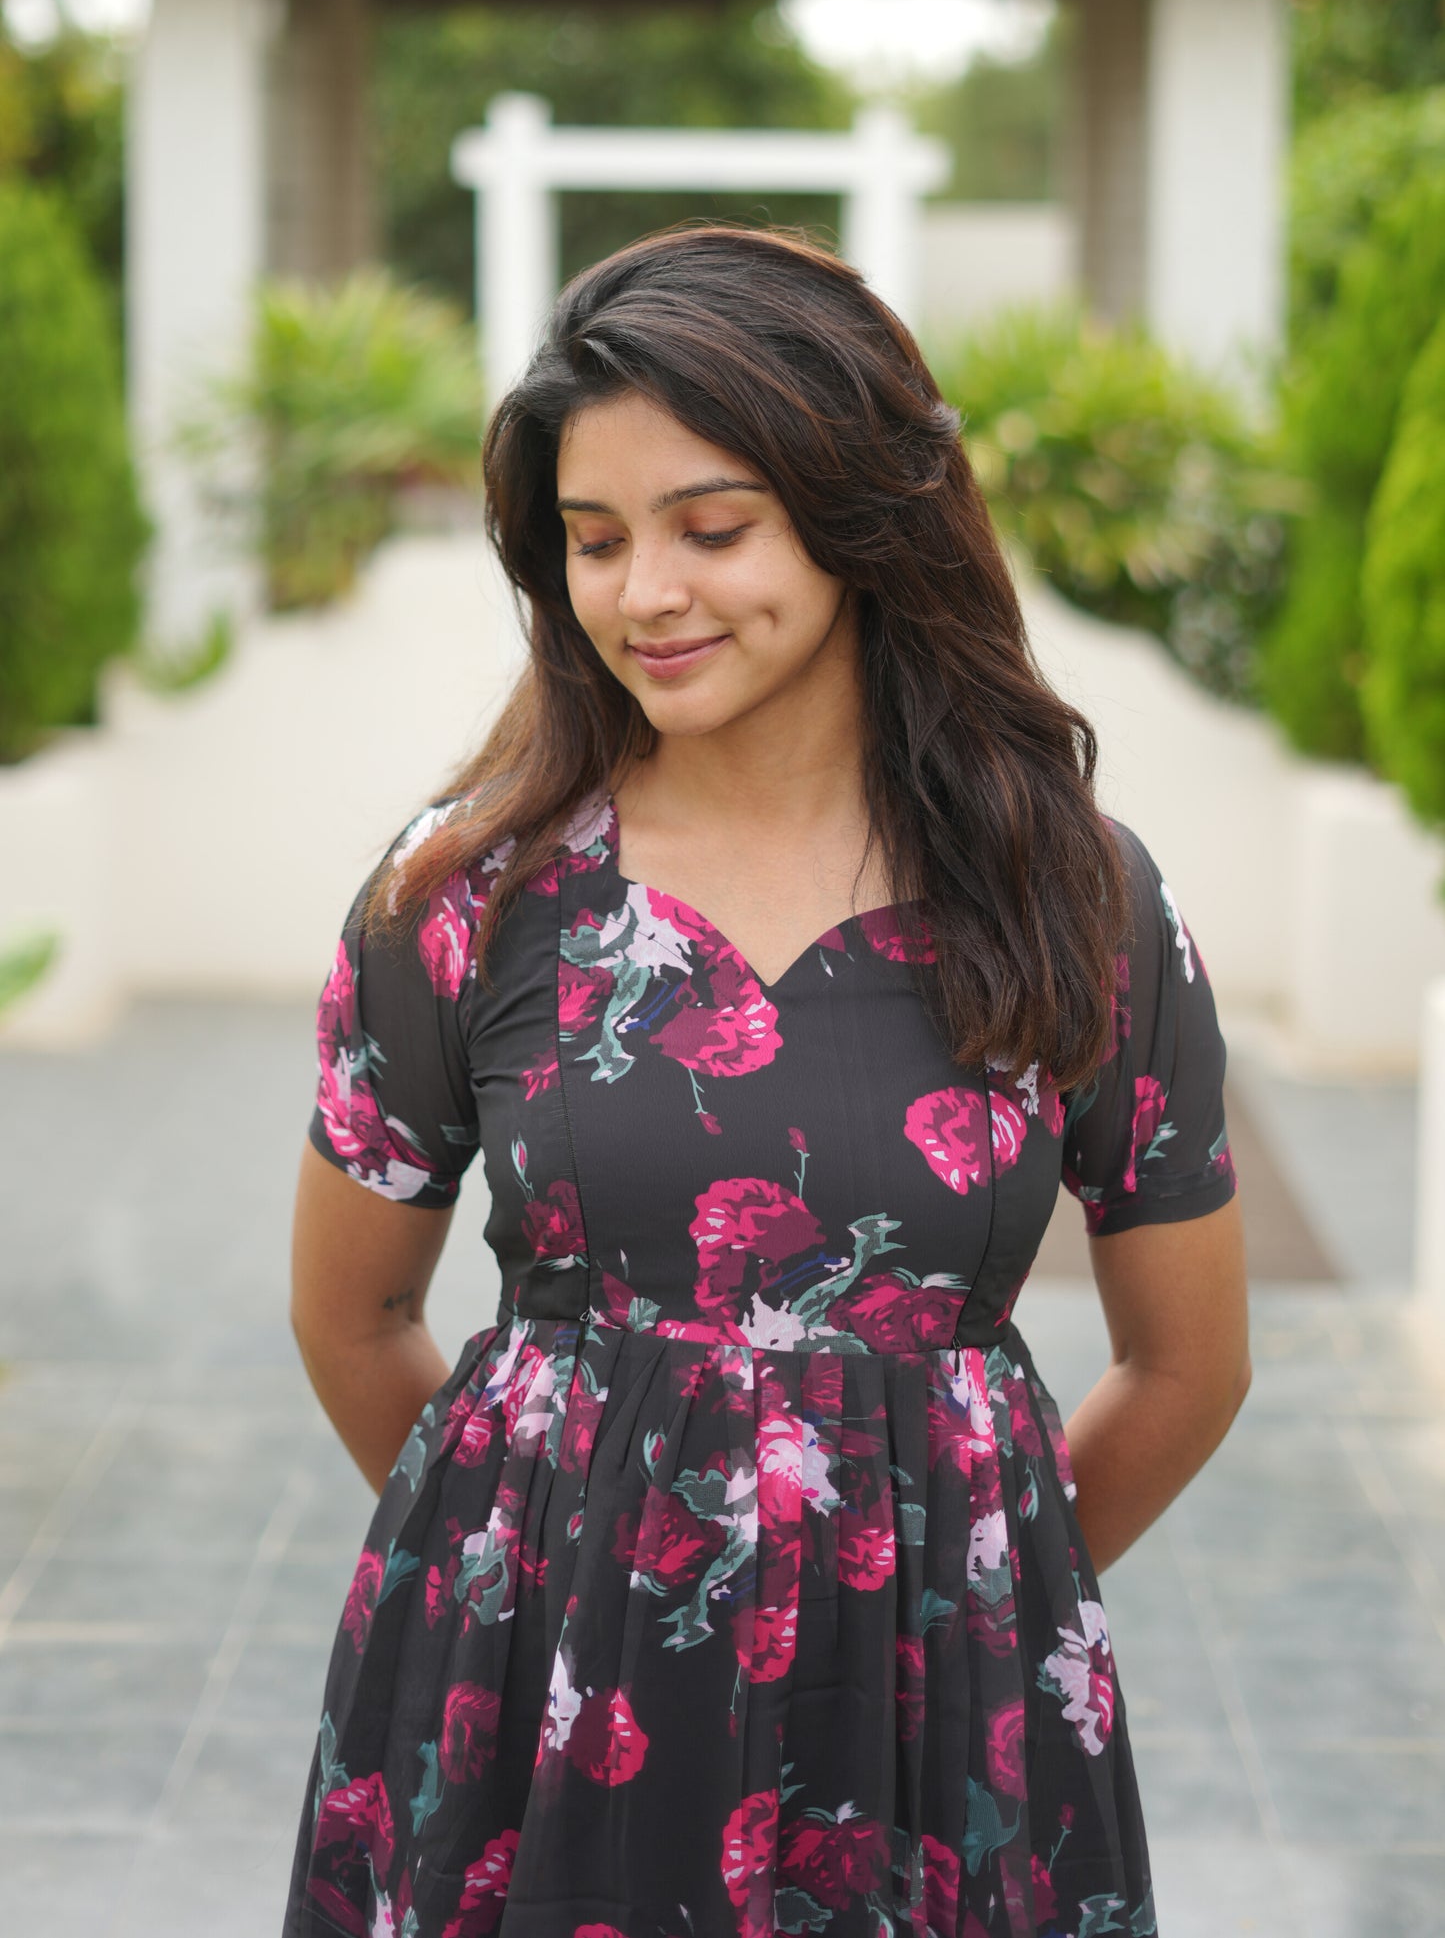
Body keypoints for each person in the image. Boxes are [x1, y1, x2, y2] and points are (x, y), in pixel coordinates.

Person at [285, 224, 1249, 1938]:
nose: (645, 590)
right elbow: (353, 1321)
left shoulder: (1071, 894)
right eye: (593, 541)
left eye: (710, 526)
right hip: (538, 1715)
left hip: (944, 1733)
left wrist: (955, 1603)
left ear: (858, 512)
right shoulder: (466, 897)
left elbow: (1188, 1359)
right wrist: (541, 1584)